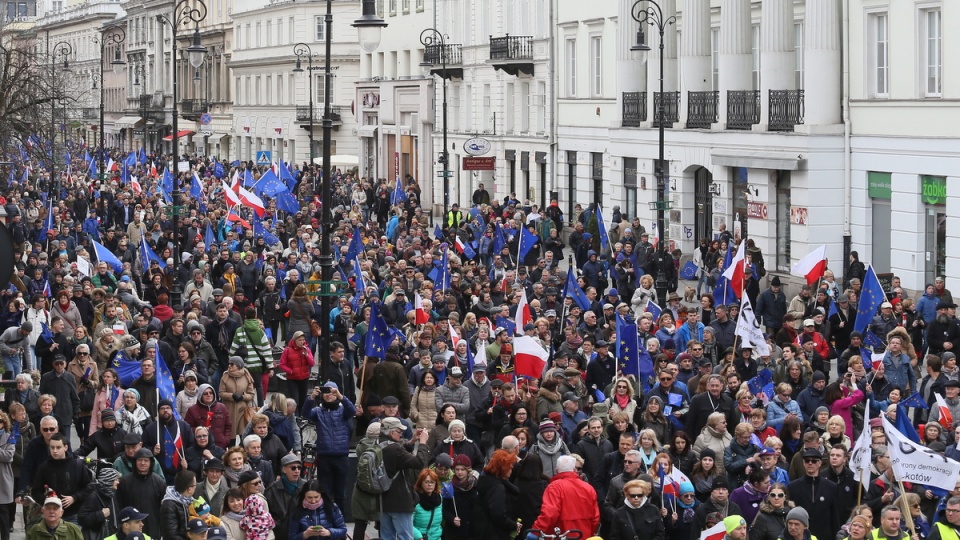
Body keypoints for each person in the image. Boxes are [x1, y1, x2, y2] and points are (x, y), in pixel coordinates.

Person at [303, 382, 355, 511]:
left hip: (341, 455)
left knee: (341, 493)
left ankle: (340, 520)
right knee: (326, 491)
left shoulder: (343, 410)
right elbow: (305, 413)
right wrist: (311, 398)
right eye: (326, 392)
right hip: (324, 456)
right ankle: (327, 518)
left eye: (332, 392)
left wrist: (341, 396)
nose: (329, 395)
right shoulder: (318, 411)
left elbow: (352, 411)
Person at [379, 417, 431, 540]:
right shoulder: (395, 449)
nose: (402, 434)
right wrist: (422, 443)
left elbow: (399, 455)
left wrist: (412, 441)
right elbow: (418, 462)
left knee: (387, 537)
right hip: (400, 501)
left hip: (382, 501)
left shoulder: (379, 445)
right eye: (399, 431)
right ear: (391, 432)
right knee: (406, 537)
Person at [531, 455, 601, 538]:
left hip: (561, 535)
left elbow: (549, 513)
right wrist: (590, 533)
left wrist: (536, 531)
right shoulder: (588, 488)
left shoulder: (554, 487)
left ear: (556, 470)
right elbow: (596, 517)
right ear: (574, 470)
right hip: (583, 534)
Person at [30, 433, 92, 524]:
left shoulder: (77, 465)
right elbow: (35, 491)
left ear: (65, 447)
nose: (55, 451)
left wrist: (74, 498)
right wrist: (48, 500)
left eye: (58, 447)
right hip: (52, 516)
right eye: (52, 447)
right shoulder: (44, 468)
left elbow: (88, 488)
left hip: (74, 514)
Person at [788, 448, 840, 540]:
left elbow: (834, 516)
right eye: (807, 461)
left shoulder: (831, 487)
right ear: (803, 463)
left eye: (814, 461)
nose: (810, 463)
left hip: (824, 535)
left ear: (820, 463)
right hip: (801, 535)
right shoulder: (793, 487)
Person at [351, 422, 382, 540]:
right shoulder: (382, 447)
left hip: (361, 489)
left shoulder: (360, 446)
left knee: (359, 524)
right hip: (378, 490)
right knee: (382, 525)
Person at [263, 454, 305, 540]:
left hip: (300, 533)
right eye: (293, 468)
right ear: (284, 469)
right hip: (280, 534)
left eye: (299, 468)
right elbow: (266, 514)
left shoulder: (306, 487)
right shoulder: (271, 490)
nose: (296, 471)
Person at [38, 354, 80, 439]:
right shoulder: (46, 377)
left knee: (65, 440)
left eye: (61, 363)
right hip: (50, 414)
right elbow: (41, 395)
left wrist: (76, 412)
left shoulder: (70, 377)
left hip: (66, 414)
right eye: (57, 364)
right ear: (53, 365)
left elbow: (74, 396)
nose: (59, 366)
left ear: (65, 364)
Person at [76, 467, 121, 540]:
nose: (118, 482)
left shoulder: (111, 495)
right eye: (116, 479)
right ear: (109, 480)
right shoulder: (93, 497)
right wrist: (100, 514)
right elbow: (81, 519)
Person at [184, 384, 232, 450]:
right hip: (201, 447)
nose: (209, 395)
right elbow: (187, 428)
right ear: (200, 395)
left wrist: (226, 440)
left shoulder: (222, 407)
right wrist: (200, 430)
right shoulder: (192, 410)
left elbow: (228, 426)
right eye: (205, 393)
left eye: (211, 393)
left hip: (220, 446)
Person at [219, 357, 256, 441]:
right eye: (229, 363)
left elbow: (251, 394)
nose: (229, 366)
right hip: (229, 410)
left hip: (243, 411)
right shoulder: (225, 376)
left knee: (244, 436)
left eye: (232, 364)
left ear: (238, 365)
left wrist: (243, 396)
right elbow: (221, 393)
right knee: (230, 436)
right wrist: (232, 396)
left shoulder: (246, 376)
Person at [278, 331, 314, 409]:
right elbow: (282, 364)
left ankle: (301, 416)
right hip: (292, 379)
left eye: (303, 340)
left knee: (303, 399)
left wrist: (307, 356)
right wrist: (290, 371)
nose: (302, 342)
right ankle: (295, 416)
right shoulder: (287, 350)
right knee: (295, 400)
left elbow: (312, 364)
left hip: (304, 378)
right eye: (299, 340)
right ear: (294, 340)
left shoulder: (306, 349)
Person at [160, 470, 197, 540]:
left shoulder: (189, 501)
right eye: (195, 485)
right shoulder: (169, 506)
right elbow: (170, 535)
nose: (196, 487)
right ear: (189, 489)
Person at [414, 469, 444, 540]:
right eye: (426, 482)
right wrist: (419, 537)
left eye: (432, 482)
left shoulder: (439, 498)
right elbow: (408, 524)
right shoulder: (415, 499)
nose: (430, 484)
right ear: (421, 483)